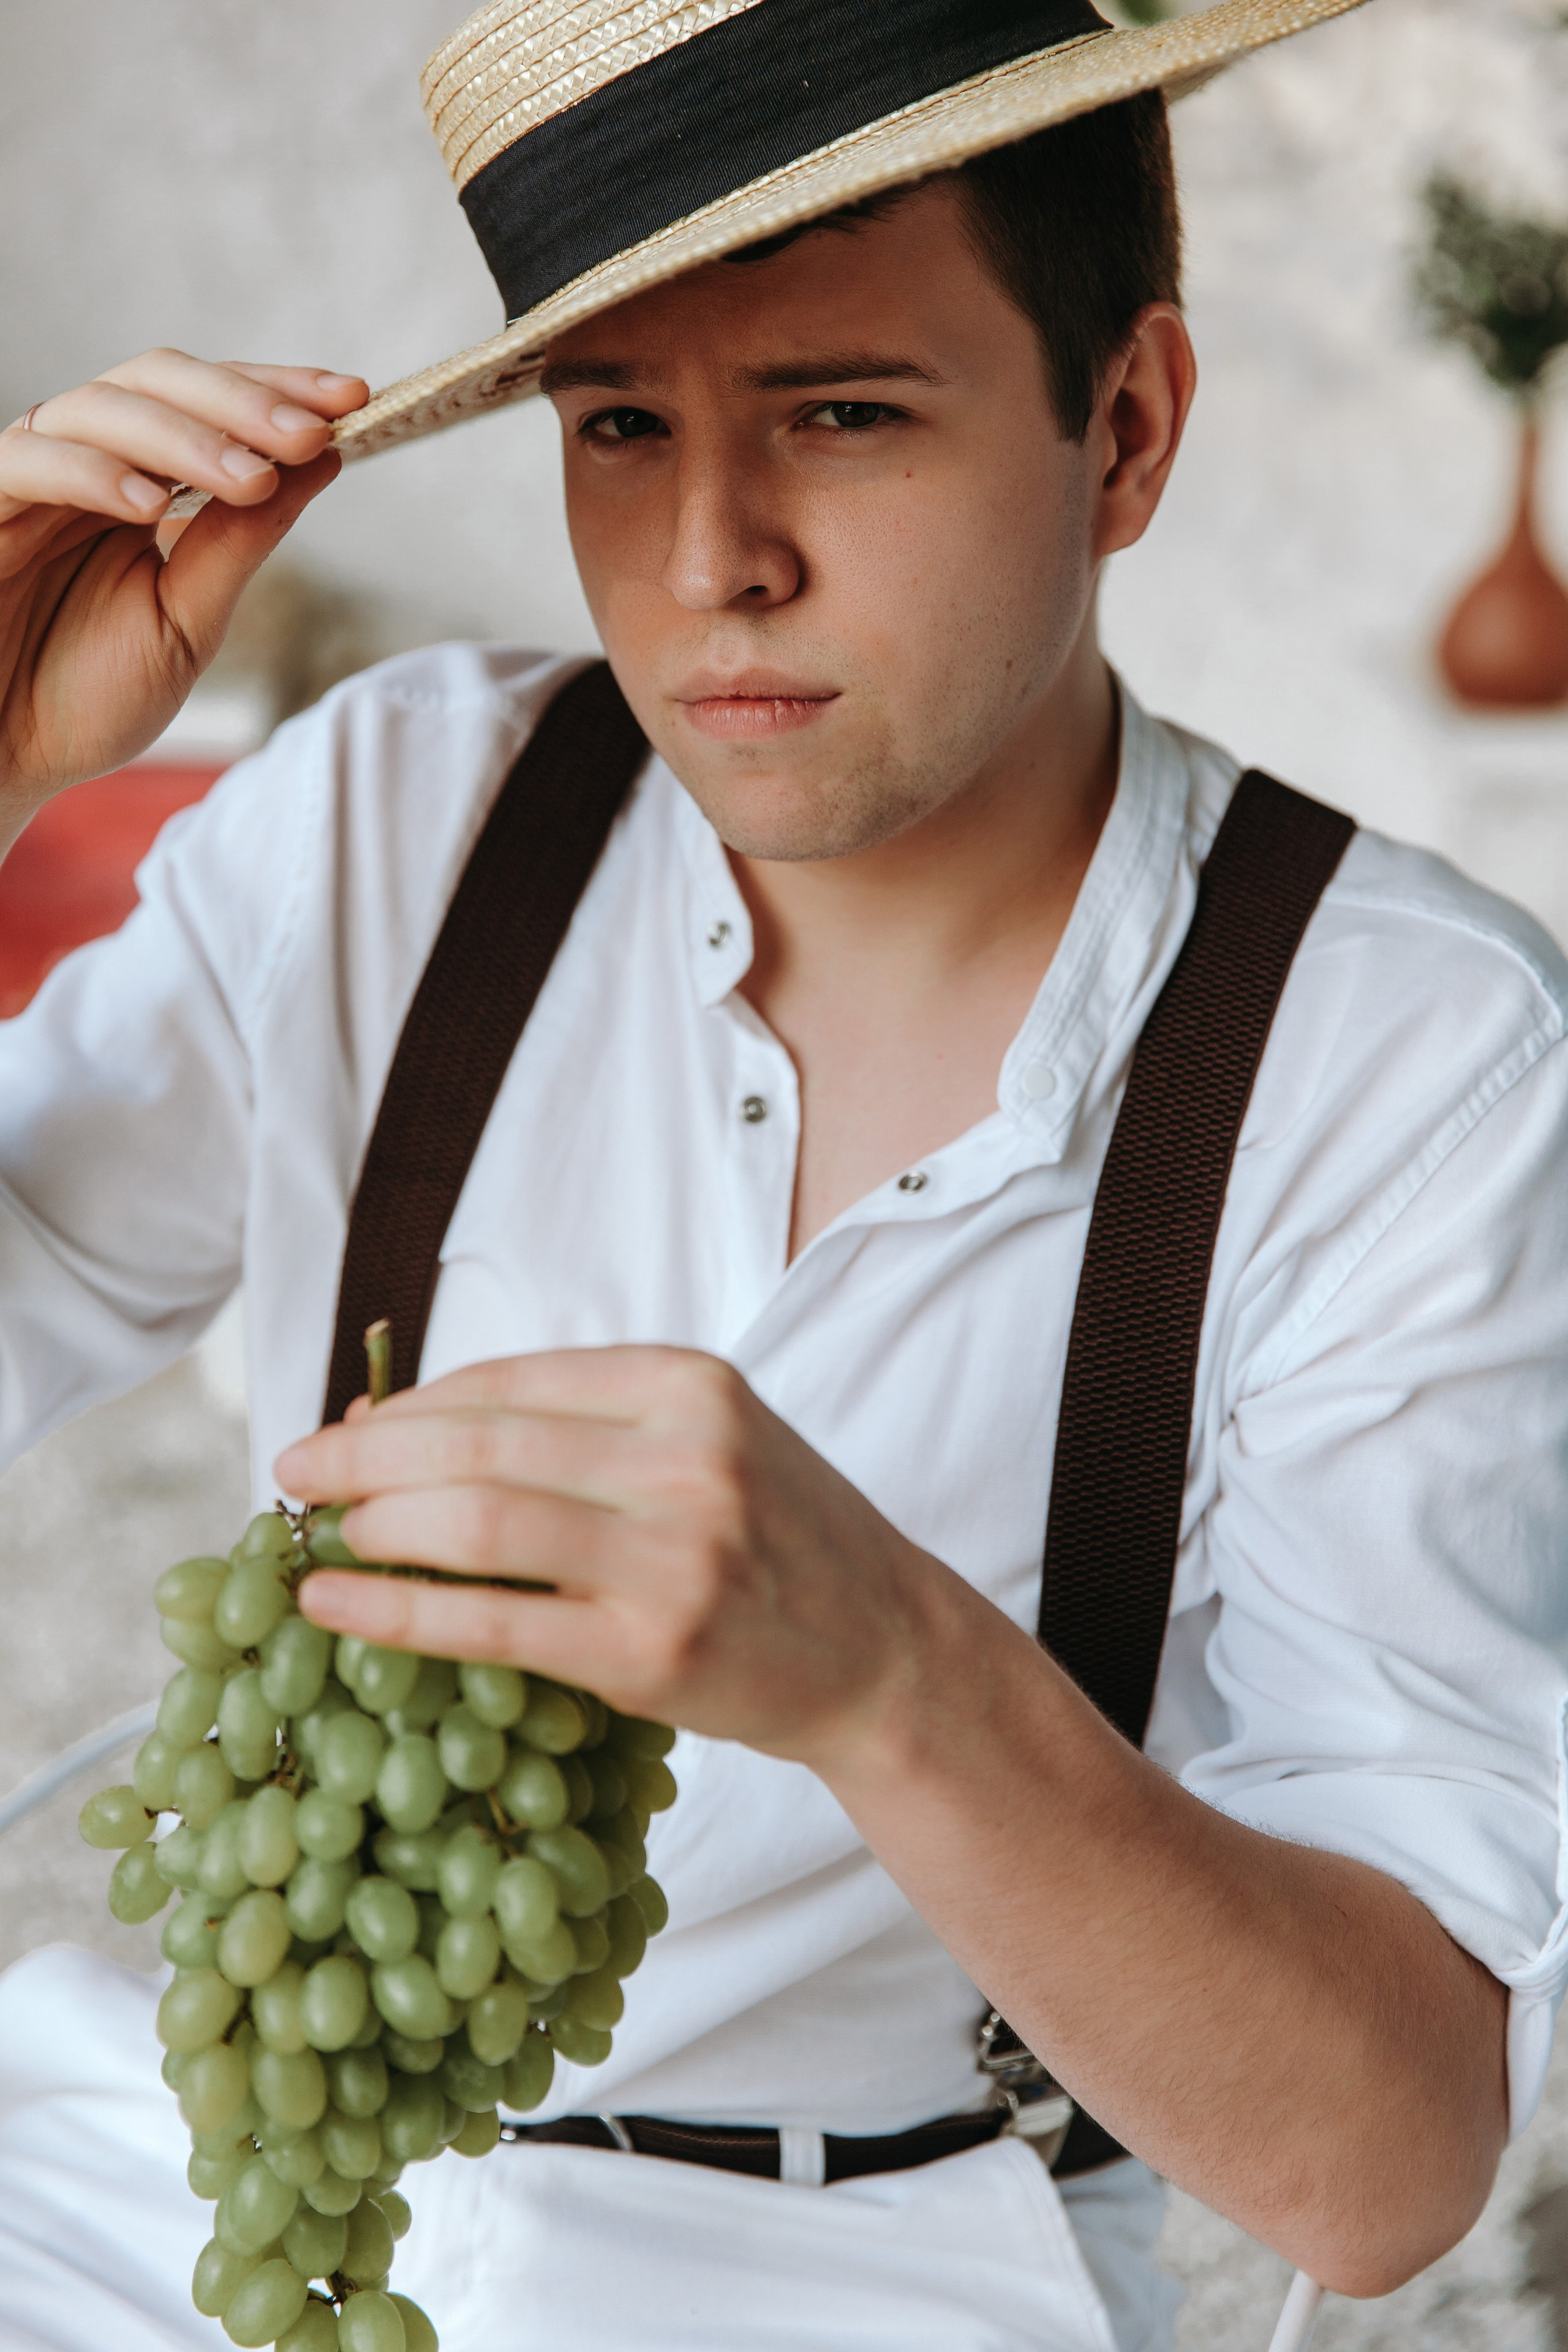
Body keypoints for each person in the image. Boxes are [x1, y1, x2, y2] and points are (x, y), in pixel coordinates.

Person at [1, 2, 1566, 2347]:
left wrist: (896, 1670)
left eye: (842, 413)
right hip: (176, 2177)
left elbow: (1382, 2171)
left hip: (870, 2271)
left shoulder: (1422, 1066)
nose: (712, 559)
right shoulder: (384, 814)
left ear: (1123, 425)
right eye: (620, 423)